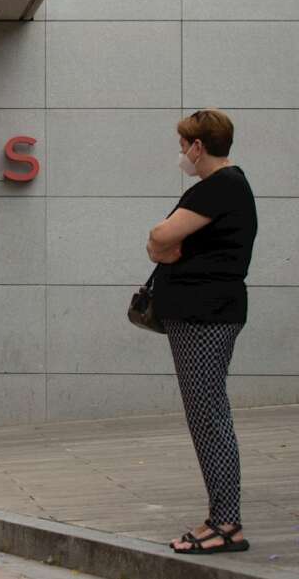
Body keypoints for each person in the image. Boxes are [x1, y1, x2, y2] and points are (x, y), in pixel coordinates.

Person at [146, 109, 258, 555]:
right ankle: (222, 518)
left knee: (208, 416)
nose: (180, 152)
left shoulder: (220, 187)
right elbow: (161, 244)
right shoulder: (224, 187)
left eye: (182, 144)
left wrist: (165, 246)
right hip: (204, 312)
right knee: (206, 414)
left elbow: (160, 237)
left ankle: (226, 524)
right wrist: (163, 246)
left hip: (203, 316)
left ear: (198, 146)